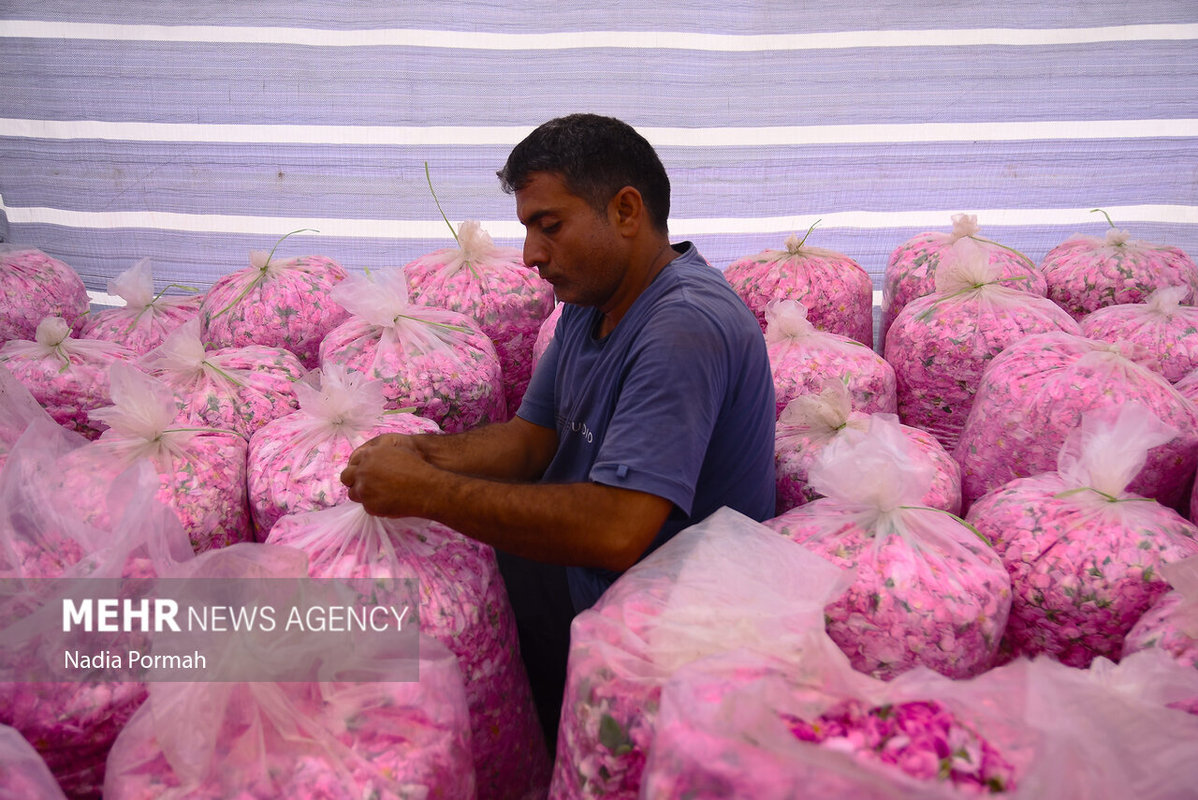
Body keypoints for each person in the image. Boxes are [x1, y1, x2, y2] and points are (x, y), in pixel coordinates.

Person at [340, 113, 776, 747]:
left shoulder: (683, 326)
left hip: (671, 638)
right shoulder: (593, 301)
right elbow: (529, 441)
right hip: (591, 587)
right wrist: (419, 453)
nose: (531, 255)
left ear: (627, 210)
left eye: (550, 227)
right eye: (528, 231)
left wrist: (425, 493)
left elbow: (617, 529)